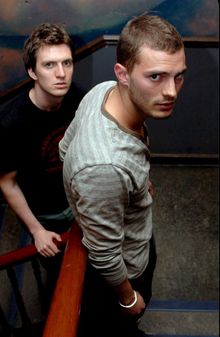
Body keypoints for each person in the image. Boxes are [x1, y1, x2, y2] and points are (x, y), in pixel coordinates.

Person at [59, 14, 187, 337]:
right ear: (124, 74)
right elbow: (104, 254)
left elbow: (64, 147)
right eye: (156, 76)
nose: (171, 91)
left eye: (178, 76)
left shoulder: (104, 91)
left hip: (132, 224)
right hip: (127, 268)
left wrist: (132, 189)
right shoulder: (104, 168)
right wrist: (129, 299)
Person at [0, 23, 84, 305]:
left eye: (66, 62)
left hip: (80, 198)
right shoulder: (10, 124)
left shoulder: (78, 99)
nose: (61, 74)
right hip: (46, 213)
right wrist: (36, 231)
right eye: (49, 65)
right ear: (32, 72)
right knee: (59, 274)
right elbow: (7, 182)